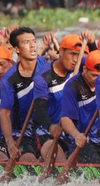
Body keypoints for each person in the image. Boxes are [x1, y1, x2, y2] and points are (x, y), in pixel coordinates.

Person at [0, 28, 50, 162]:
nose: (33, 46)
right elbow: (5, 113)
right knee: (28, 158)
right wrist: (10, 143)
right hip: (23, 132)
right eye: (27, 42)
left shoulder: (47, 66)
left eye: (34, 41)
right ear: (16, 49)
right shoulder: (9, 79)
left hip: (47, 128)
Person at [33, 34, 85, 163]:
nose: (75, 60)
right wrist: (51, 127)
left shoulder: (82, 68)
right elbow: (39, 109)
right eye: (72, 54)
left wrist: (91, 43)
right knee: (59, 159)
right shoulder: (43, 77)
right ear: (61, 51)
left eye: (79, 55)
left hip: (72, 132)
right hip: (48, 132)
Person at [61, 50, 100, 164]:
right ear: (84, 70)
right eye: (94, 75)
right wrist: (77, 135)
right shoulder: (72, 86)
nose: (98, 80)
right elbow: (65, 118)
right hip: (83, 139)